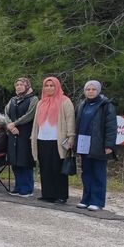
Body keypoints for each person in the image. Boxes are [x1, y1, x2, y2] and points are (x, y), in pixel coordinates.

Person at [31, 76, 75, 204]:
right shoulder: (41, 102)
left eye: (52, 86)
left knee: (58, 168)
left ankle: (61, 195)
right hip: (42, 139)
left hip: (58, 141)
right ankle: (48, 194)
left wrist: (71, 136)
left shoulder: (65, 101)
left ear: (57, 87)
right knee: (45, 167)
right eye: (47, 86)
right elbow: (36, 123)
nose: (49, 88)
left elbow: (70, 120)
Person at [75, 80, 117, 211]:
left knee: (98, 173)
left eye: (93, 89)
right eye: (88, 89)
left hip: (99, 144)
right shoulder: (82, 104)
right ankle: (86, 199)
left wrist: (109, 145)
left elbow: (111, 126)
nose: (90, 91)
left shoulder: (106, 105)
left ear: (98, 90)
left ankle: (97, 201)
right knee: (86, 172)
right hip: (83, 143)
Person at [4, 78, 38, 197]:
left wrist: (15, 123)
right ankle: (18, 186)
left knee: (25, 161)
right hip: (13, 134)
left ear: (27, 86)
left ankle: (27, 188)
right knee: (15, 162)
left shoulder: (33, 99)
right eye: (17, 85)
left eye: (21, 84)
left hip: (25, 134)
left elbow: (29, 115)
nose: (19, 87)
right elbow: (6, 113)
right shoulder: (13, 100)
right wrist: (10, 126)